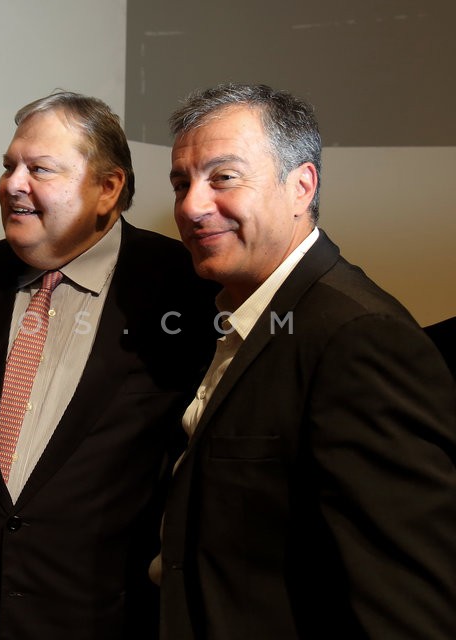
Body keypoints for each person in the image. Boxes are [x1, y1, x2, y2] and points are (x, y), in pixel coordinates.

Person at [0, 91, 216, 639]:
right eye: (9, 166)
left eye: (39, 169)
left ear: (108, 188)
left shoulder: (188, 290)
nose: (12, 184)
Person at [158, 83, 456, 639]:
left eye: (224, 177)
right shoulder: (229, 316)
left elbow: (405, 604)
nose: (192, 206)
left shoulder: (360, 338)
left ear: (302, 186)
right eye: (181, 183)